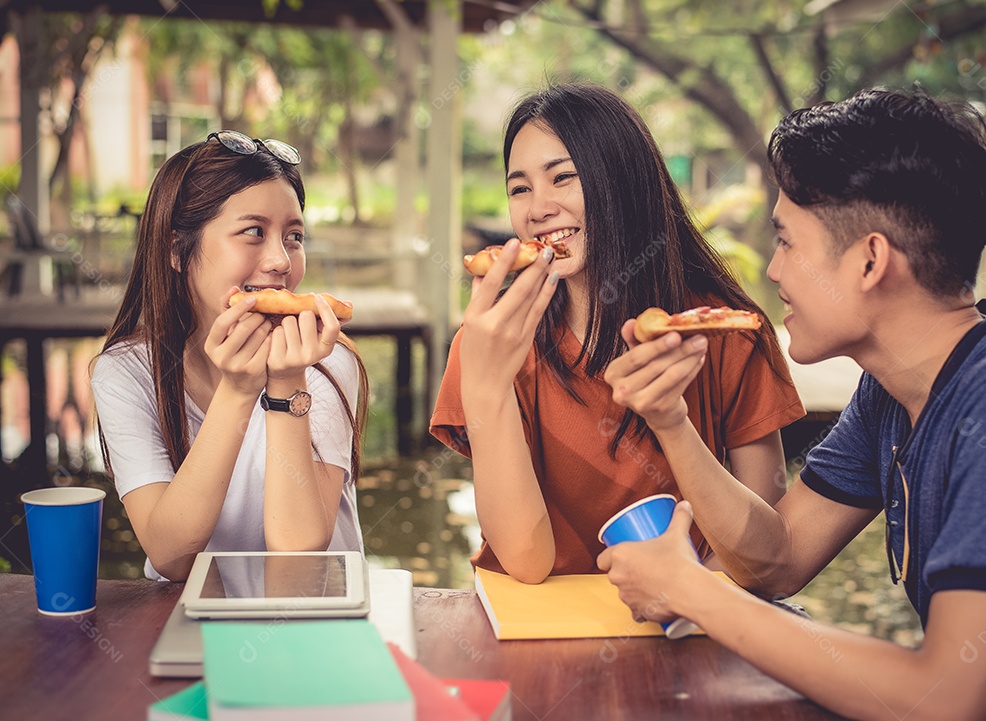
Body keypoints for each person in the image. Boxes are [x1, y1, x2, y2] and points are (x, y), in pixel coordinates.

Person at [599, 88, 986, 719]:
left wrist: (693, 593)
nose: (773, 271)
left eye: (787, 242)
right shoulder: (892, 390)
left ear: (870, 260)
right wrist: (671, 419)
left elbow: (947, 698)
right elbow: (778, 561)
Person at [430, 83, 805, 584]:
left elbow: (765, 560)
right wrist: (485, 385)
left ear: (623, 183)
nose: (536, 208)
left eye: (562, 178)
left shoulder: (724, 331)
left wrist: (688, 607)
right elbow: (525, 561)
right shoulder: (487, 344)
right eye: (520, 188)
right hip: (538, 633)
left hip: (693, 631)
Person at [91, 131, 368, 582]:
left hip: (313, 626)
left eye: (294, 236)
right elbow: (170, 555)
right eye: (253, 232)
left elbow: (298, 550)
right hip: (190, 628)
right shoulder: (124, 374)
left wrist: (286, 382)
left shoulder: (327, 362)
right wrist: (238, 392)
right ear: (177, 249)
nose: (281, 261)